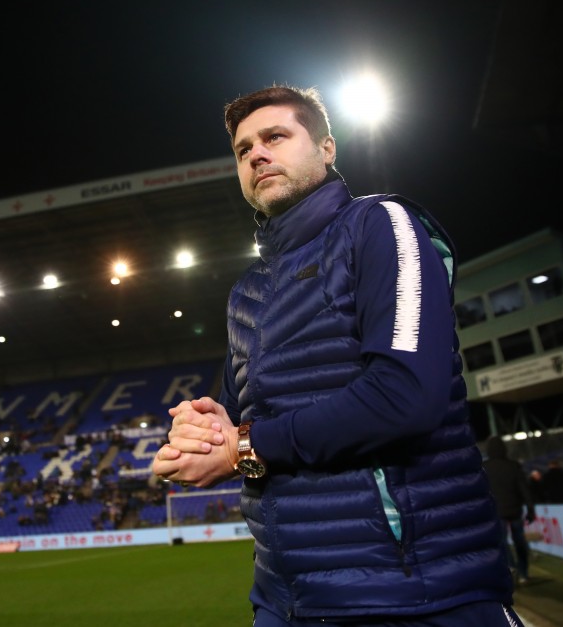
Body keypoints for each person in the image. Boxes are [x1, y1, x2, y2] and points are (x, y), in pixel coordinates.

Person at [152, 84, 519, 626]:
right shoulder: (247, 292)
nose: (256, 154)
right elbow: (240, 424)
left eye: (275, 137)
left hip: (410, 594)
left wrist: (240, 446)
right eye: (243, 149)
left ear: (327, 148)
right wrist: (198, 433)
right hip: (284, 599)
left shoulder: (380, 224)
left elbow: (404, 397)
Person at [482, 435, 537, 586]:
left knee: (502, 542)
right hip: (515, 510)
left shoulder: (484, 467)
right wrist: (531, 509)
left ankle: (511, 566)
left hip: (496, 512)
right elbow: (524, 489)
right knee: (520, 542)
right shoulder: (513, 466)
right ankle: (523, 573)